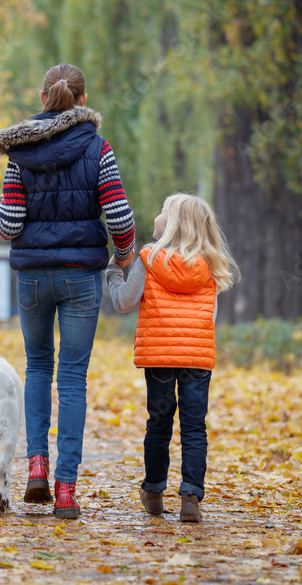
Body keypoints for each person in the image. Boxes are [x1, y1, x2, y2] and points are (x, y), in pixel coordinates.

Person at [0, 63, 136, 519]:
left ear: (42, 96)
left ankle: (35, 467)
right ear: (82, 99)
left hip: (33, 277)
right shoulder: (98, 148)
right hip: (80, 277)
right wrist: (126, 254)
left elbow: (10, 225)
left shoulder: (21, 153)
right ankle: (67, 491)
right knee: (72, 378)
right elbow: (119, 217)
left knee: (37, 368)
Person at [106, 193, 239, 523]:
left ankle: (153, 491)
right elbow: (210, 317)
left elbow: (124, 302)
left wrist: (113, 273)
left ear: (174, 223)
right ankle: (191, 496)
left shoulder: (150, 258)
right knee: (194, 427)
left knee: (159, 423)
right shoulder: (209, 265)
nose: (156, 217)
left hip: (159, 355)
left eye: (162, 211)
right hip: (197, 358)